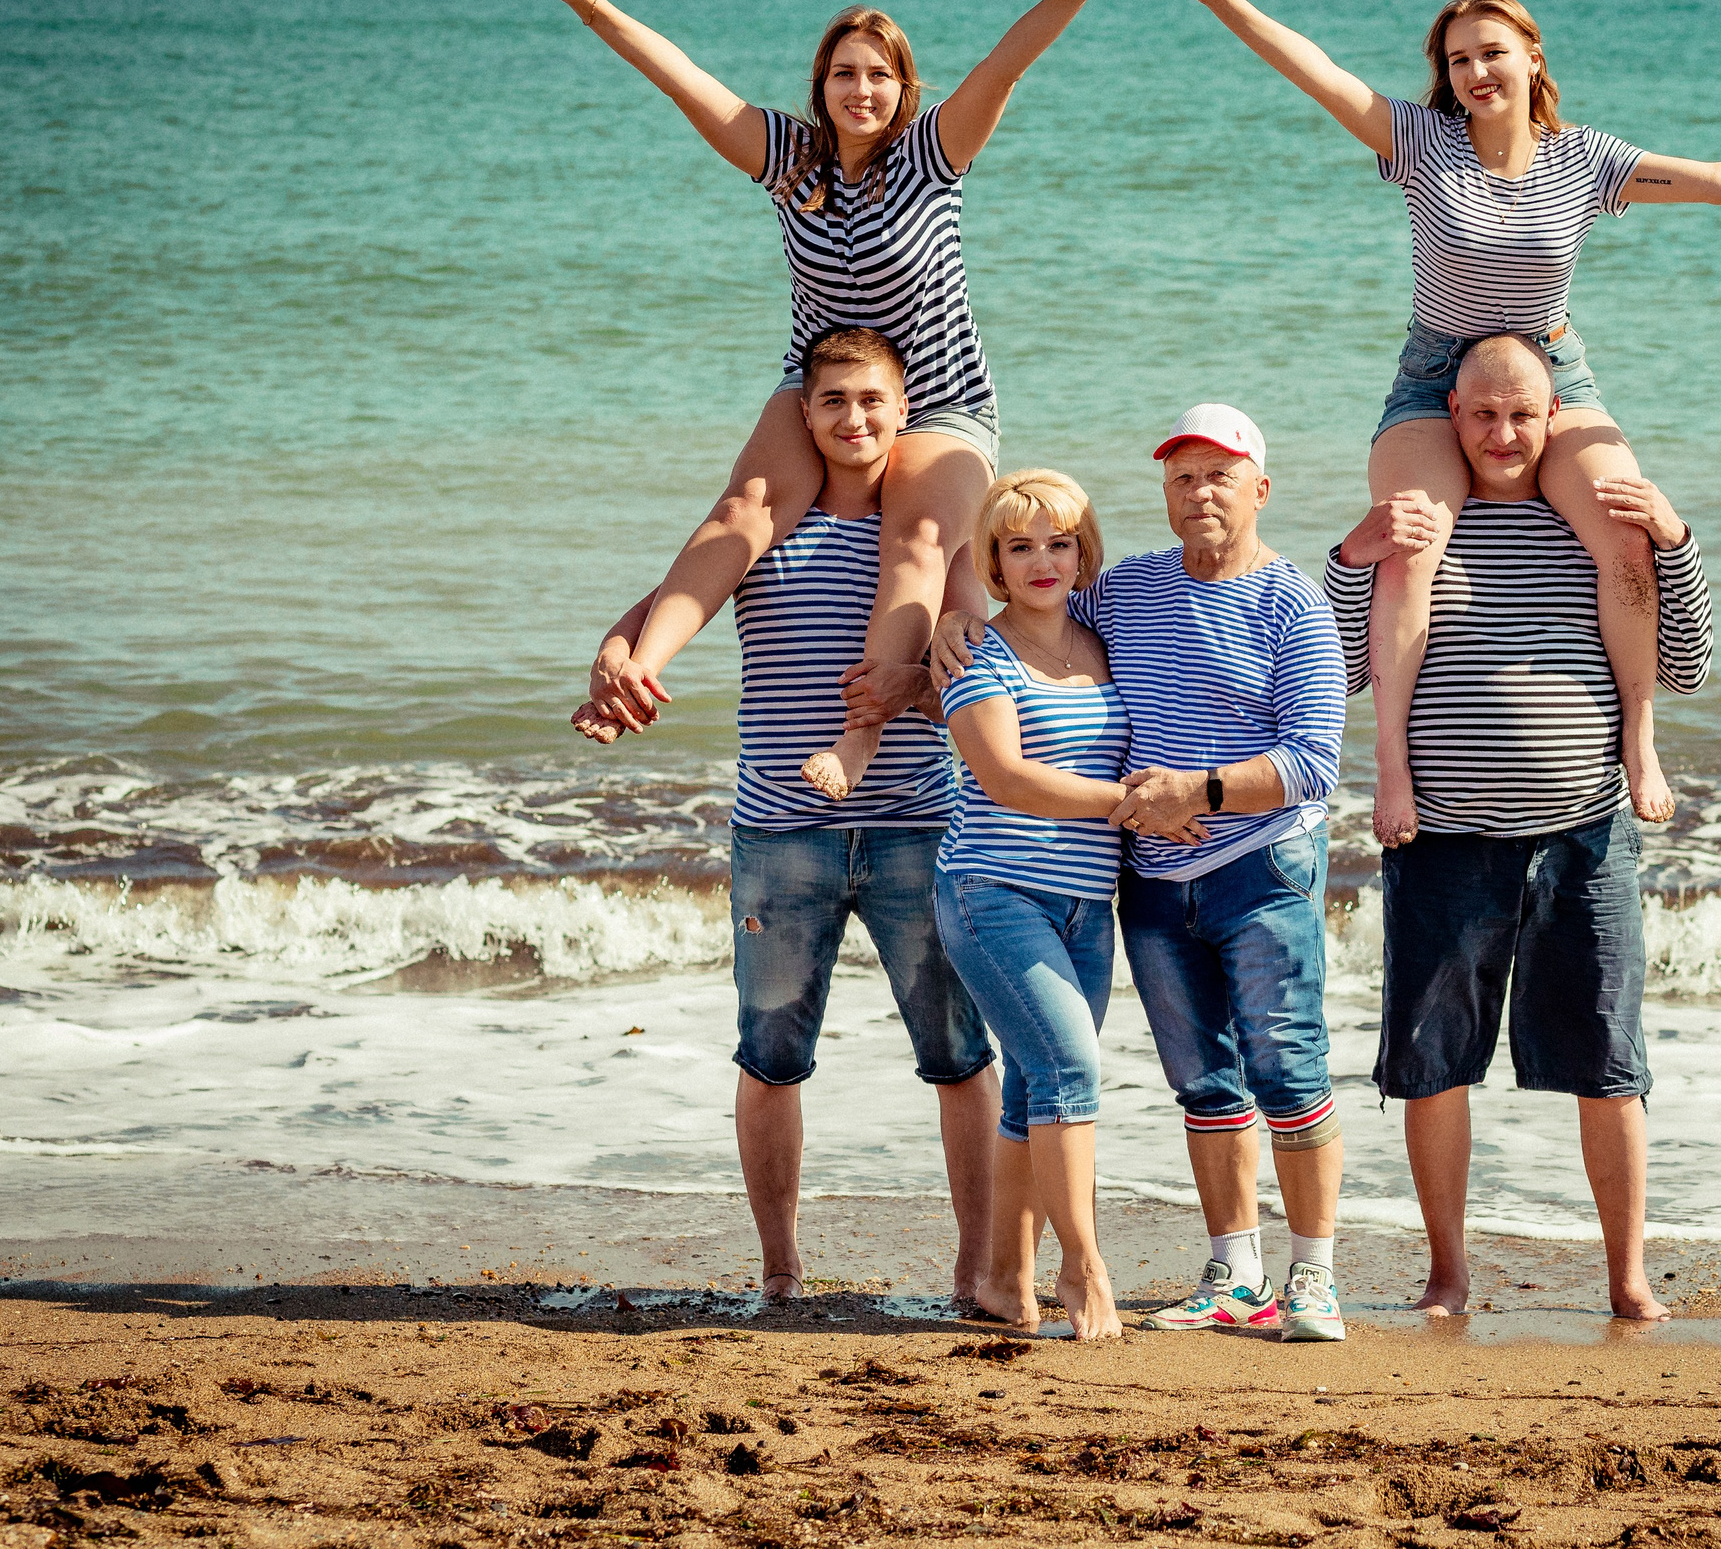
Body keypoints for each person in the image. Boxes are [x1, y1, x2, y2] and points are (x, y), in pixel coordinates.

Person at [1158, 0, 1721, 843]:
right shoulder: (1418, 143)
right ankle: (1390, 768)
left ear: (1532, 59)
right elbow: (1316, 71)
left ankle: (1638, 738)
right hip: (1437, 378)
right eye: (1459, 58)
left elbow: (1720, 179)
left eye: (1492, 53)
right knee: (1412, 544)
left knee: (1628, 532)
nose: (1475, 71)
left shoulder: (1587, 162)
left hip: (1552, 374)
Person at [534, 0, 1150, 798]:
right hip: (821, 382)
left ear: (903, 88)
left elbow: (1007, 64)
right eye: (842, 74)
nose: (860, 91)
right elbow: (679, 77)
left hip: (939, 397)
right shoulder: (790, 158)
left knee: (919, 540)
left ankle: (859, 740)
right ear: (819, 87)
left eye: (878, 75)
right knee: (746, 505)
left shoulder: (933, 153)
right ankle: (641, 670)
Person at [578, 327, 999, 1305]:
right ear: (803, 416)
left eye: (871, 402)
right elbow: (652, 617)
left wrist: (917, 688)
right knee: (770, 1060)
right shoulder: (767, 530)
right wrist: (613, 660)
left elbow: (980, 686)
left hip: (916, 829)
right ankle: (779, 1271)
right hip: (778, 834)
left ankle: (976, 1269)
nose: (853, 419)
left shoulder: (936, 542)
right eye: (832, 402)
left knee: (959, 1059)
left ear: (904, 412)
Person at [1321, 335, 1715, 1323]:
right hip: (1440, 836)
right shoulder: (1420, 528)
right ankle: (1447, 1276)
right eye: (1483, 415)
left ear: (1554, 420)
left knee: (1609, 1070)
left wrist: (1674, 539)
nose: (1502, 434)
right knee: (1431, 1068)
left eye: (1522, 415)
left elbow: (1691, 663)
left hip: (1582, 833)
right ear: (1450, 417)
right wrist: (1346, 557)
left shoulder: (1592, 530)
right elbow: (1333, 671)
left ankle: (1627, 1279)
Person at [935, 405, 1350, 1341]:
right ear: (1163, 496)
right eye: (1182, 478)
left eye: (1219, 474)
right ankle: (1235, 1272)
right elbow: (1025, 607)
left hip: (1259, 864)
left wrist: (1195, 792)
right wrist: (948, 628)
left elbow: (1313, 764)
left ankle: (1313, 1275)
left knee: (1287, 1066)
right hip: (1153, 883)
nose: (1200, 492)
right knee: (1203, 1080)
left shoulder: (1294, 604)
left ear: (1259, 489)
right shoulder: (1123, 591)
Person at [932, 469, 1151, 1342]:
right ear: (994, 560)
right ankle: (1085, 1268)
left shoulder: (1104, 643)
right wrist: (1129, 801)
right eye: (1019, 546)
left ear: (1082, 551)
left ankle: (1002, 1279)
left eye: (1058, 543)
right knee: (1071, 1073)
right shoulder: (977, 654)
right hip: (993, 895)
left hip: (1088, 905)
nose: (1042, 561)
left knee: (1033, 1086)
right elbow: (1006, 779)